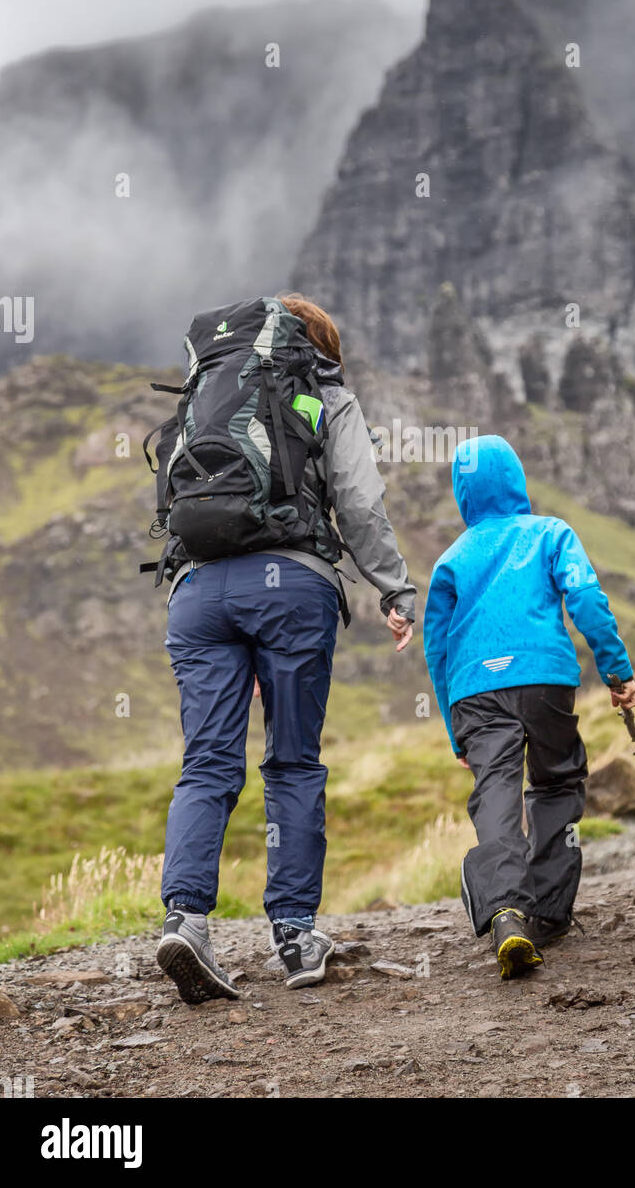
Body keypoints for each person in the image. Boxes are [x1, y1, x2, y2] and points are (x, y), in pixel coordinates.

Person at [155, 294, 415, 1002]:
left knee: (206, 761)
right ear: (320, 345)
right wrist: (394, 589)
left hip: (197, 590)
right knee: (293, 761)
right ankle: (296, 937)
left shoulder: (209, 387)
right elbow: (358, 502)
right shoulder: (324, 391)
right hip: (291, 586)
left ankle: (187, 922)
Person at [422, 434, 635, 980]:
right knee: (556, 782)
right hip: (545, 679)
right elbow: (587, 596)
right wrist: (616, 671)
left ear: (461, 493)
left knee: (495, 793)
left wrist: (455, 731)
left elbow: (437, 647)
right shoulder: (550, 533)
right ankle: (550, 912)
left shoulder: (451, 558)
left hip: (474, 689)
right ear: (517, 480)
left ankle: (505, 913)